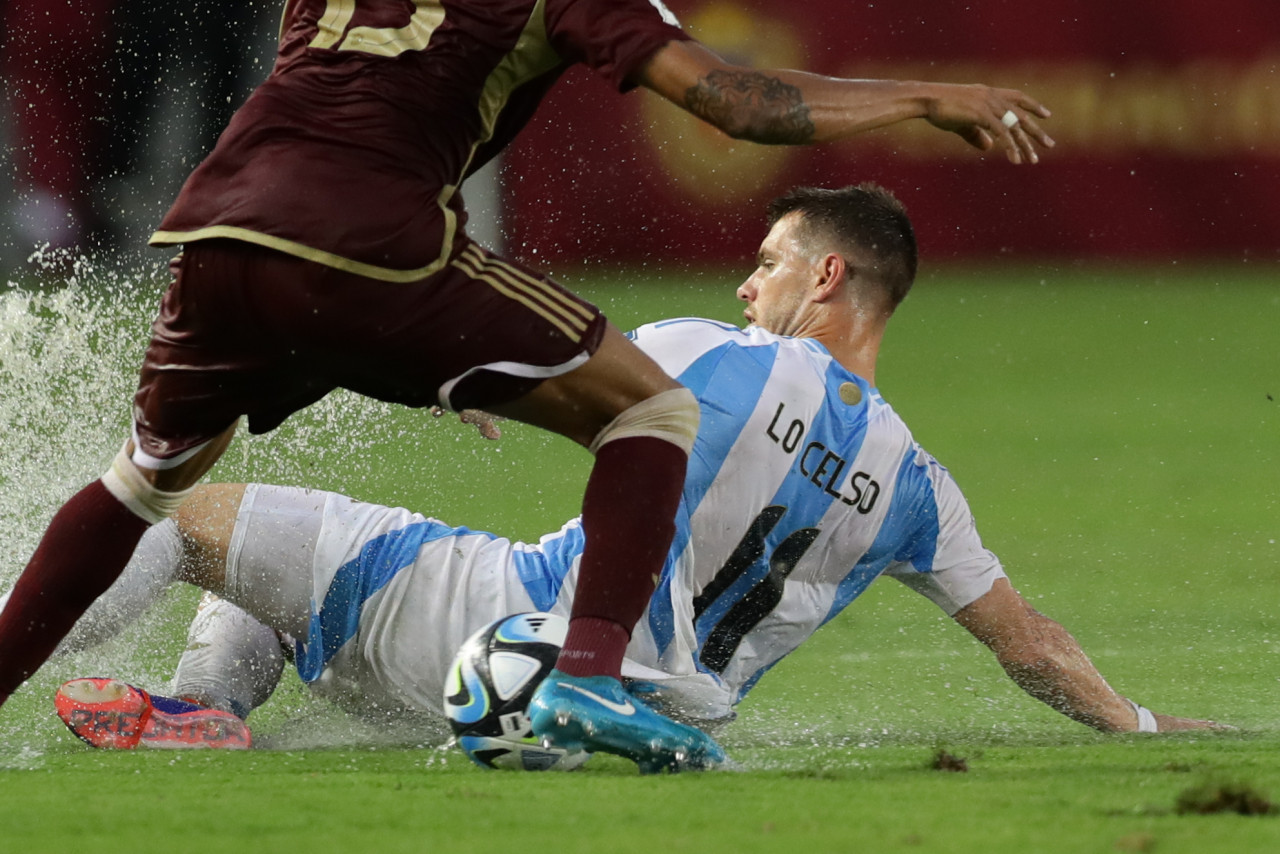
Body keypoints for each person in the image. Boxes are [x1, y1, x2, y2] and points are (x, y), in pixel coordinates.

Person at [0, 0, 1055, 773]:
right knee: (649, 407)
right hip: (376, 232)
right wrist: (925, 94)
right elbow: (740, 102)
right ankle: (583, 680)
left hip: (219, 216)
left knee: (145, 483)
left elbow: (340, 128)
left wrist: (416, 360)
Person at [29, 185, 1221, 765]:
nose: (747, 280)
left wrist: (455, 378)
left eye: (768, 260)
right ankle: (214, 713)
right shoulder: (920, 488)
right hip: (624, 712)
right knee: (279, 562)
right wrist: (1147, 723)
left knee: (192, 514)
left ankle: (204, 713)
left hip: (496, 620)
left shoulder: (708, 353)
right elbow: (1030, 646)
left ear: (827, 279)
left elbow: (518, 356)